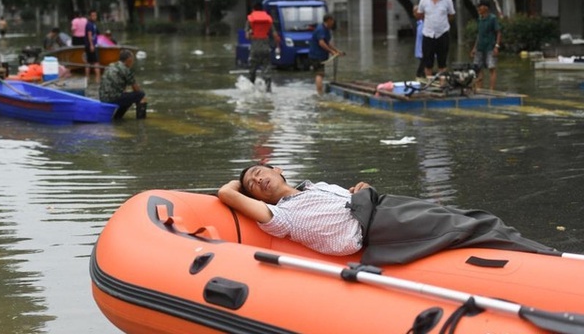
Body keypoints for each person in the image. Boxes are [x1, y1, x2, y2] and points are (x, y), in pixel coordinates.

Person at [218, 164, 558, 266]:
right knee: (471, 224)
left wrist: (358, 189)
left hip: (383, 206)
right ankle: (548, 258)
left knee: (469, 215)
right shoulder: (281, 217)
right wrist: (239, 182)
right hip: (377, 226)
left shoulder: (313, 186)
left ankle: (542, 255)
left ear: (278, 169)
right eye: (253, 183)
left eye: (261, 172)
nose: (259, 179)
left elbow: (346, 202)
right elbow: (225, 194)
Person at [416, 0, 456, 78]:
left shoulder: (447, 0)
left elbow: (451, 15)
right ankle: (429, 84)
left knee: (442, 62)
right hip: (428, 34)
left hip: (443, 33)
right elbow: (420, 15)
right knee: (428, 62)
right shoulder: (424, 1)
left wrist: (442, 22)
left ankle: (443, 84)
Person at [99, 49, 146, 119]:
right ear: (129, 60)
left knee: (128, 97)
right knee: (140, 94)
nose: (132, 62)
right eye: (132, 60)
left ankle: (118, 118)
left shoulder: (110, 65)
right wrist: (142, 98)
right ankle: (141, 120)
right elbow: (136, 89)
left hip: (103, 98)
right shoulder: (125, 70)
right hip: (113, 98)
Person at [245, 3, 279, 92]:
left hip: (254, 49)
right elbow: (275, 35)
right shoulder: (268, 19)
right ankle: (268, 89)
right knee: (267, 69)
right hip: (266, 48)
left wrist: (253, 35)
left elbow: (247, 36)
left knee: (252, 70)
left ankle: (251, 89)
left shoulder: (250, 20)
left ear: (253, 10)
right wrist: (278, 45)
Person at [470, 0, 502, 91]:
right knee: (477, 68)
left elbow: (498, 32)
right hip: (480, 47)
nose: (478, 9)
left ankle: (492, 89)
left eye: (480, 7)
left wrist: (496, 46)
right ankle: (479, 88)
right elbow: (479, 34)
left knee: (491, 68)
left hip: (490, 47)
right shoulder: (479, 19)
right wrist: (474, 48)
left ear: (486, 8)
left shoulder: (492, 18)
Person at [308, 13, 343, 95]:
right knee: (319, 74)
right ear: (329, 20)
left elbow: (327, 43)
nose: (333, 23)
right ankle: (319, 93)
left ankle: (320, 92)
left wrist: (337, 51)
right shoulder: (321, 29)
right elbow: (322, 43)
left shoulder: (326, 30)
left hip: (321, 55)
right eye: (332, 21)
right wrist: (331, 52)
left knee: (321, 74)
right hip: (316, 55)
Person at [413, 5, 425, 78]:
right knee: (422, 72)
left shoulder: (425, 24)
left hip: (424, 53)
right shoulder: (419, 24)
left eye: (415, 12)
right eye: (413, 12)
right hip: (420, 53)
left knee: (419, 74)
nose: (414, 14)